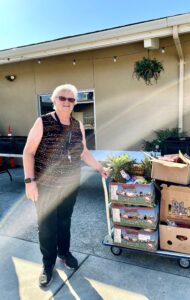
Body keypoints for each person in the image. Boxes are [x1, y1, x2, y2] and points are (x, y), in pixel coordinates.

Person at [23, 83, 108, 288]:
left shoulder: (77, 124)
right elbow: (28, 152)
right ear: (54, 101)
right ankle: (47, 264)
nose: (67, 103)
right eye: (62, 98)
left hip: (70, 184)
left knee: (64, 221)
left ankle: (64, 253)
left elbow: (83, 152)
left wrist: (99, 168)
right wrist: (29, 182)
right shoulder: (42, 122)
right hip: (45, 186)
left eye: (71, 99)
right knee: (47, 226)